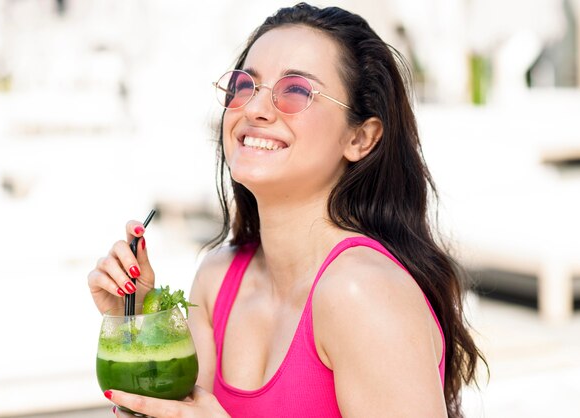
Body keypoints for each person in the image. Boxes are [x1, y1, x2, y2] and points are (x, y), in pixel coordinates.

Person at [87, 3, 486, 417]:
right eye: (245, 86)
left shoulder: (362, 293)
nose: (254, 109)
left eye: (295, 91)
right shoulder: (217, 279)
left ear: (361, 138)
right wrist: (139, 326)